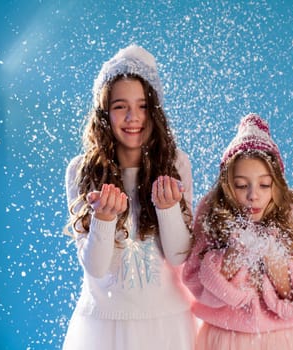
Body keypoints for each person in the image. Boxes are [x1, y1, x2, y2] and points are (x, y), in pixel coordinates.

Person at [62, 44, 196, 350]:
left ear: (155, 110)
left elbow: (179, 257)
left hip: (168, 323)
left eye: (143, 106)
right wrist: (104, 220)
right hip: (103, 327)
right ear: (104, 112)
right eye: (121, 106)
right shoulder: (82, 172)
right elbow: (95, 268)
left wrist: (168, 209)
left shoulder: (175, 164)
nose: (133, 117)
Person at [183, 113, 293, 350]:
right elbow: (194, 280)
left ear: (276, 185)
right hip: (224, 340)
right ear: (227, 185)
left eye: (264, 185)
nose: (252, 195)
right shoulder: (211, 210)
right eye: (241, 185)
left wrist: (275, 262)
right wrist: (231, 259)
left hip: (285, 340)